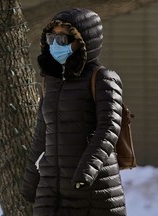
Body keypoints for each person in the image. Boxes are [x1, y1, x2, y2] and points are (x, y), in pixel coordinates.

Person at [21, 8, 126, 216]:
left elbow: (108, 128)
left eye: (62, 39)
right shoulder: (50, 80)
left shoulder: (104, 78)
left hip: (91, 187)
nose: (54, 46)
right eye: (51, 39)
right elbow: (42, 132)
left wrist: (86, 171)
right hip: (51, 187)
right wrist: (31, 179)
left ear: (84, 41)